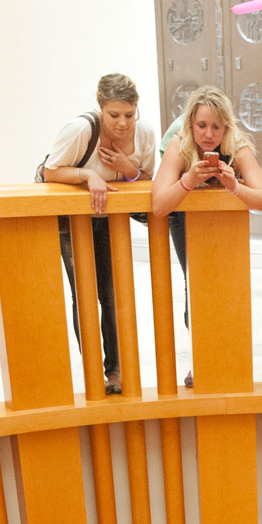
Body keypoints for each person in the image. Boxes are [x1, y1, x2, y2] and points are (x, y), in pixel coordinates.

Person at [42, 72, 156, 394]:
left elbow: (147, 178)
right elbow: (50, 171)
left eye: (129, 115)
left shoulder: (144, 132)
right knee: (84, 296)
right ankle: (93, 369)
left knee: (112, 295)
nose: (123, 123)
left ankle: (115, 372)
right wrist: (88, 175)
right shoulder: (81, 129)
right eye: (114, 115)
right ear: (100, 107)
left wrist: (127, 168)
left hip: (110, 220)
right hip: (74, 221)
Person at [152, 86, 262, 386]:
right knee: (194, 285)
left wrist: (235, 187)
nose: (208, 134)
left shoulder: (238, 146)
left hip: (227, 222)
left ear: (226, 126)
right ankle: (200, 359)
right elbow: (159, 205)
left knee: (230, 286)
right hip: (185, 219)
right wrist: (187, 181)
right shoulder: (178, 145)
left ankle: (229, 356)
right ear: (190, 125)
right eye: (202, 125)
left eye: (216, 126)